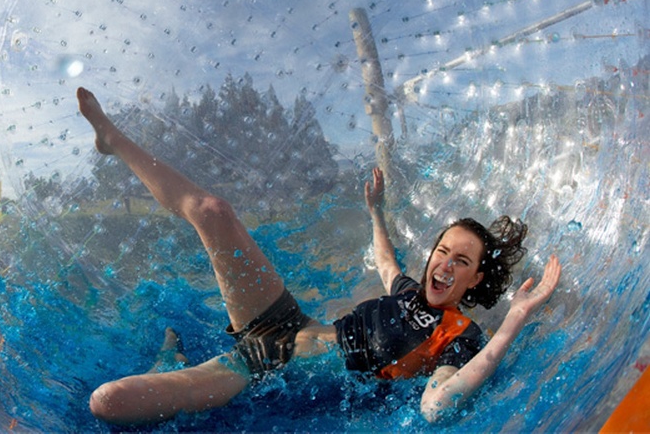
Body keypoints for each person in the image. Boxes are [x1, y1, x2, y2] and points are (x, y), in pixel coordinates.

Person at [78, 86, 562, 425]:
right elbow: (388, 263)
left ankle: (170, 365)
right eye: (442, 250)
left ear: (475, 279)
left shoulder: (458, 335)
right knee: (214, 211)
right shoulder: (411, 292)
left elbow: (437, 405)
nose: (445, 263)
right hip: (284, 323)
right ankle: (113, 140)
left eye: (462, 261)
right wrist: (376, 212)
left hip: (259, 368)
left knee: (109, 402)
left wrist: (514, 319)